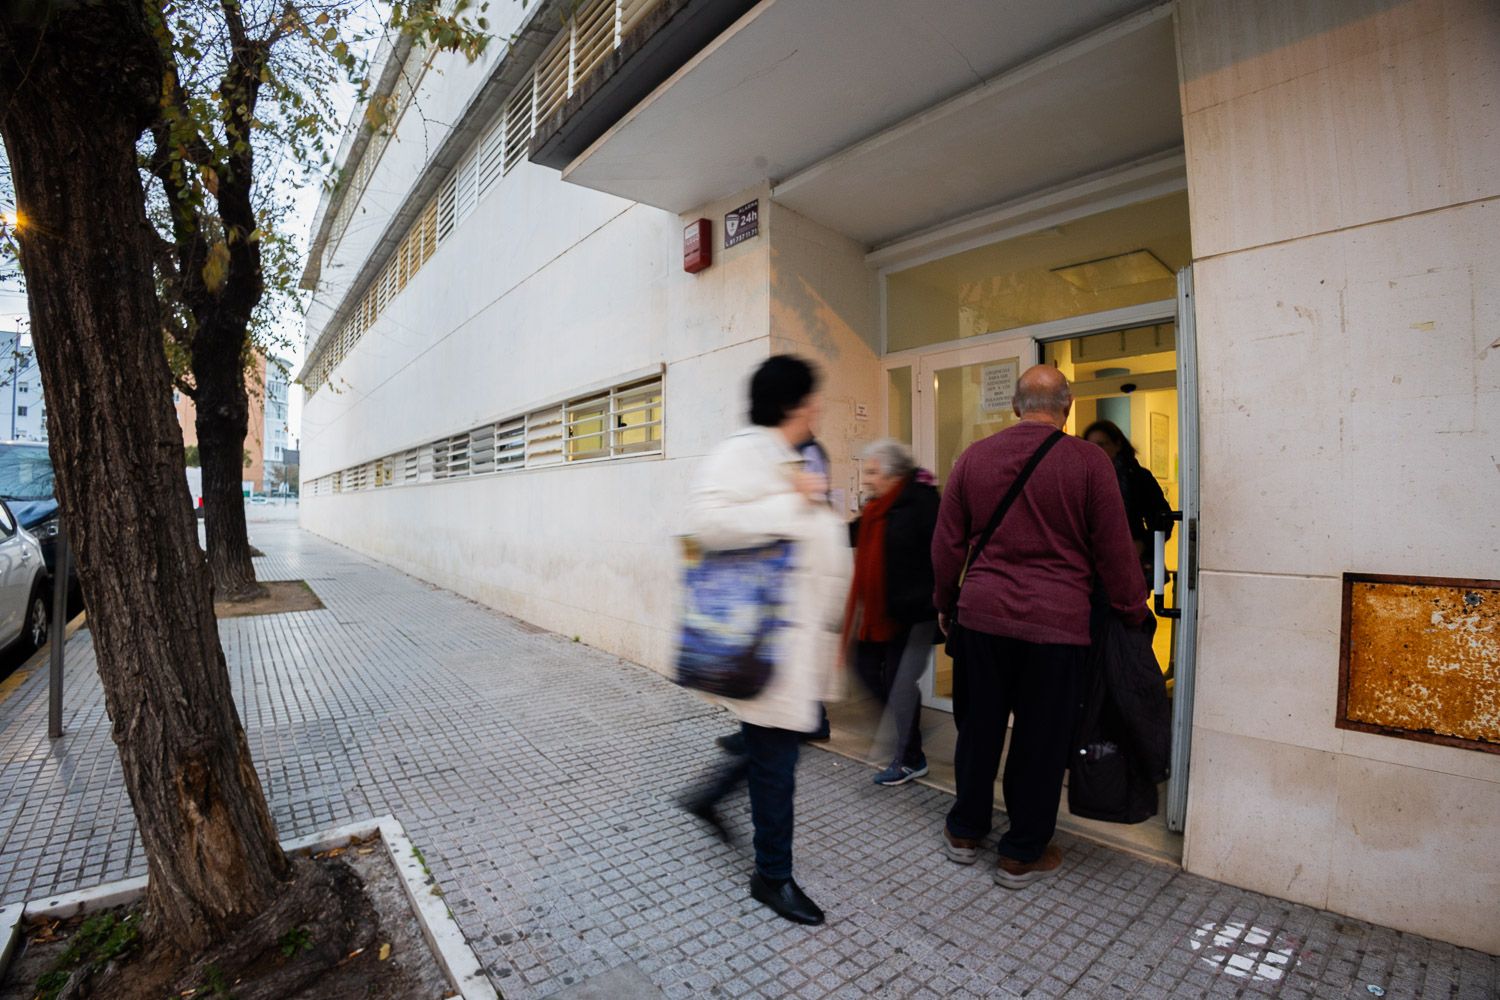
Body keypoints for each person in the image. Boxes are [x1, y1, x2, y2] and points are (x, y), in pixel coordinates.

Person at [931, 366, 1148, 889]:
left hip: (981, 619)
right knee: (1041, 740)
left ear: (1015, 407)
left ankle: (965, 831)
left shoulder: (973, 459)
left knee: (978, 729)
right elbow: (1115, 550)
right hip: (1056, 628)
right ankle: (1021, 853)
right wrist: (1133, 609)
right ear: (1068, 407)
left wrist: (945, 602)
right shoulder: (1089, 462)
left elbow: (946, 545)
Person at [679, 355, 851, 925]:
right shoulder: (744, 452)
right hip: (765, 644)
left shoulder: (794, 456)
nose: (819, 407)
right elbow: (706, 522)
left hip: (796, 644)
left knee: (771, 749)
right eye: (812, 399)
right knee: (777, 764)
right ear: (790, 404)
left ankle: (708, 799)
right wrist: (792, 501)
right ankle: (771, 877)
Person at [845, 439, 939, 786]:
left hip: (915, 613)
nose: (866, 479)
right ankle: (907, 729)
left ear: (892, 473)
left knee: (899, 685)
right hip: (882, 612)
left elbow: (941, 553)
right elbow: (854, 533)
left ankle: (911, 757)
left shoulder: (921, 503)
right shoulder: (878, 508)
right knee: (865, 668)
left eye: (872, 472)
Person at [1081, 419, 1173, 581]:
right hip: (1092, 564)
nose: (1096, 450)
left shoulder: (1137, 478)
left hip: (1129, 562)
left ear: (1117, 445)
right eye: (1090, 446)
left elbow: (1162, 518)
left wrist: (1142, 544)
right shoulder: (1082, 478)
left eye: (1102, 444)